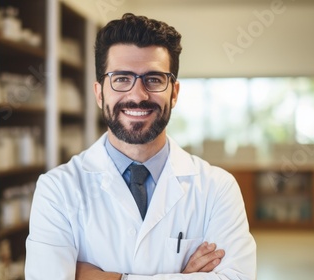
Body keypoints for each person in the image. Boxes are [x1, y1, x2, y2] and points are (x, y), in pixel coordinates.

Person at [25, 13, 256, 280]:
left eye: (154, 79)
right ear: (100, 93)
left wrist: (111, 278)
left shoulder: (217, 188)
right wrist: (181, 275)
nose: (137, 95)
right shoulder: (57, 189)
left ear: (175, 92)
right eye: (121, 79)